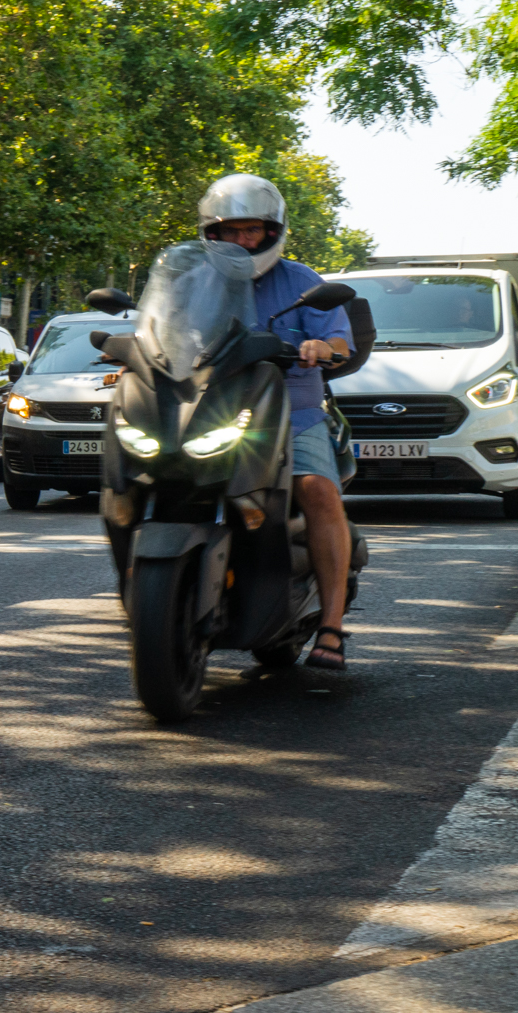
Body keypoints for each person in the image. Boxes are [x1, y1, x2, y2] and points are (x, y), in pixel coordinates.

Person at [200, 173, 355, 670]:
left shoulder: (302, 282)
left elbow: (339, 343)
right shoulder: (197, 281)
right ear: (213, 233)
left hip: (292, 410)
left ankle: (330, 625)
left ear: (272, 231)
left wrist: (320, 347)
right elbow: (161, 331)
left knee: (316, 490)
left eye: (253, 231)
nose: (243, 241)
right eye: (232, 231)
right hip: (211, 410)